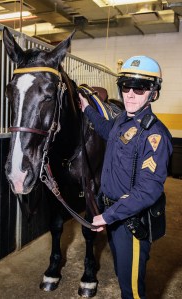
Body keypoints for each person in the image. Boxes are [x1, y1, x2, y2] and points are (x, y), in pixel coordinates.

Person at [79, 55, 173, 299]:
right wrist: (87, 109)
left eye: (139, 87)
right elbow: (106, 130)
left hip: (131, 223)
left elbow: (148, 190)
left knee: (131, 290)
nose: (130, 94)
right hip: (113, 215)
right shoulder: (123, 119)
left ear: (153, 93)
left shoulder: (155, 135)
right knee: (122, 276)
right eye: (126, 86)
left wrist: (106, 217)